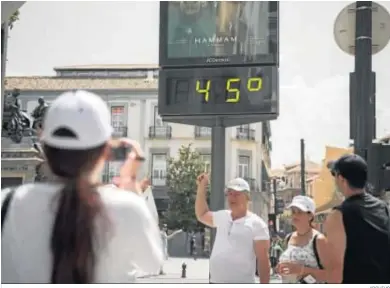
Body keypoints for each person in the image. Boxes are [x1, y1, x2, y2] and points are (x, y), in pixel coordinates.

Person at [1, 90, 164, 283]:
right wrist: (131, 186)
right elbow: (152, 264)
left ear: (44, 146)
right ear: (107, 151)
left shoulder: (8, 203)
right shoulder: (128, 208)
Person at [325, 154, 390, 284]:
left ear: (341, 179)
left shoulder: (338, 216)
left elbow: (336, 271)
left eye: (334, 175)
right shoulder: (384, 208)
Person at [195, 174, 270, 283]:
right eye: (229, 193)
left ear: (247, 197)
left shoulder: (257, 224)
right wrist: (202, 187)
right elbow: (201, 214)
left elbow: (263, 261)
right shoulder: (222, 216)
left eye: (237, 194)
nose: (232, 197)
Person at [277, 196, 330, 284]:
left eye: (300, 212)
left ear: (310, 216)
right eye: (293, 211)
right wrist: (280, 268)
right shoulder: (288, 238)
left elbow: (330, 275)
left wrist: (300, 270)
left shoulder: (318, 239)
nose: (295, 215)